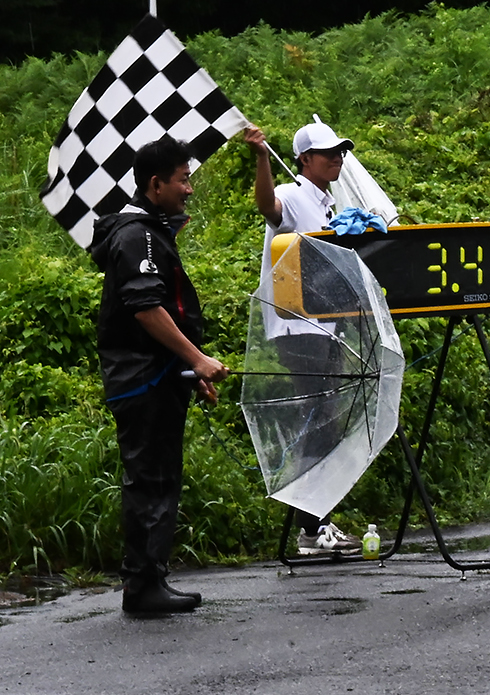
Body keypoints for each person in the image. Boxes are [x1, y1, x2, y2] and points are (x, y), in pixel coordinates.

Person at [90, 136, 230, 617]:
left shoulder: (148, 231)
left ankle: (150, 579)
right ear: (156, 184)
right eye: (183, 179)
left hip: (159, 375)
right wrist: (199, 356)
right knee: (150, 477)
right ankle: (144, 586)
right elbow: (147, 310)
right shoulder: (138, 234)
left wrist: (191, 369)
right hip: (142, 379)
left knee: (159, 475)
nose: (189, 189)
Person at [243, 119, 359, 554]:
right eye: (328, 152)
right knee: (320, 420)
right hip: (297, 327)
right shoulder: (293, 196)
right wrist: (260, 158)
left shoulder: (329, 204)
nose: (337, 158)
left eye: (341, 151)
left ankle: (317, 523)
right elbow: (267, 207)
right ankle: (312, 529)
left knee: (325, 422)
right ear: (304, 160)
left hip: (326, 325)